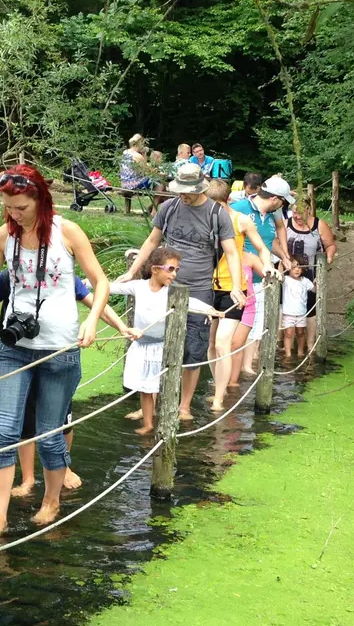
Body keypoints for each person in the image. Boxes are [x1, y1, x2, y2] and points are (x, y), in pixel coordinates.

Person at [0, 165, 110, 542]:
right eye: (9, 208)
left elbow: (100, 280)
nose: (15, 215)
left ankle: (51, 500)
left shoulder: (68, 232)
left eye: (22, 208)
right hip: (15, 350)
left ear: (41, 200)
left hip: (60, 349)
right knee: (3, 434)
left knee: (49, 434)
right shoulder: (4, 238)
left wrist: (92, 320)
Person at [0, 272, 131, 496]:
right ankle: (28, 478)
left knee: (62, 419)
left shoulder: (66, 276)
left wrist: (122, 327)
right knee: (23, 419)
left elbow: (96, 304)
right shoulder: (7, 276)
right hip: (18, 356)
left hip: (59, 356)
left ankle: (65, 467)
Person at [116, 163, 244, 421]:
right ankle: (149, 404)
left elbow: (231, 252)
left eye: (188, 191)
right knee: (154, 343)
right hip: (163, 287)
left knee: (193, 349)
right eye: (180, 190)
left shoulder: (216, 214)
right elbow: (152, 241)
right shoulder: (169, 208)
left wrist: (237, 288)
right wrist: (132, 272)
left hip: (198, 288)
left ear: (200, 188)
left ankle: (184, 406)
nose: (183, 195)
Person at [111, 247, 219, 433]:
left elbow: (190, 302)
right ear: (155, 269)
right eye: (171, 269)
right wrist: (87, 283)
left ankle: (166, 425)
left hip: (162, 346)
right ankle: (148, 424)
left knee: (163, 386)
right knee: (145, 388)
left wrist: (209, 310)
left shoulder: (172, 293)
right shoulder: (139, 287)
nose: (175, 274)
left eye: (177, 270)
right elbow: (112, 287)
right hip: (142, 344)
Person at [205, 180, 277, 410]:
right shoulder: (204, 218)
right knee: (210, 344)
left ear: (227, 201)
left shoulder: (241, 220)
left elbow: (263, 247)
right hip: (208, 287)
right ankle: (220, 386)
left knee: (222, 344)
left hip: (234, 289)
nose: (212, 209)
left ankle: (218, 399)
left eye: (216, 204)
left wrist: (267, 266)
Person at [231, 177, 292, 377]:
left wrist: (284, 256)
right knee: (237, 326)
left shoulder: (272, 215)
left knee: (256, 323)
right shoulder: (240, 208)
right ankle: (232, 371)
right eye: (283, 201)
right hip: (242, 278)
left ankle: (247, 365)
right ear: (275, 199)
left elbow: (269, 240)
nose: (283, 205)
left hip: (264, 277)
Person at [286, 189, 338, 348]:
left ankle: (310, 345)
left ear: (309, 209)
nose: (298, 216)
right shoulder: (286, 223)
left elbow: (330, 245)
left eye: (301, 213)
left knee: (310, 308)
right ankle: (284, 345)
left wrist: (328, 258)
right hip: (289, 274)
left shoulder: (319, 225)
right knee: (286, 308)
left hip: (310, 274)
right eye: (295, 213)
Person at [280, 256, 315, 360]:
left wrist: (318, 282)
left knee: (300, 333)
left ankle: (300, 352)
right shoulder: (286, 280)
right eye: (294, 267)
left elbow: (314, 289)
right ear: (289, 267)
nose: (297, 270)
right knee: (288, 333)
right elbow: (280, 276)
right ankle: (288, 354)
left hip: (301, 313)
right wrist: (281, 265)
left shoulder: (305, 281)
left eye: (299, 267)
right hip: (288, 313)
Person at [120, 133, 154, 215]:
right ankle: (153, 209)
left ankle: (151, 208)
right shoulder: (137, 156)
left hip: (124, 183)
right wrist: (144, 155)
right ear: (140, 143)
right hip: (133, 184)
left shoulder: (125, 152)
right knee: (157, 182)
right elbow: (147, 171)